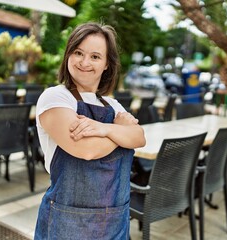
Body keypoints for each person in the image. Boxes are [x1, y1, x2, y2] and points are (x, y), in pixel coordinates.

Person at [34, 22, 146, 239]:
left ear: (106, 64)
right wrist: (119, 130)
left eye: (95, 56)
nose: (85, 62)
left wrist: (103, 128)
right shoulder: (56, 97)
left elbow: (139, 137)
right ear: (68, 55)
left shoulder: (113, 105)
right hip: (67, 224)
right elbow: (86, 149)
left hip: (115, 223)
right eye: (78, 53)